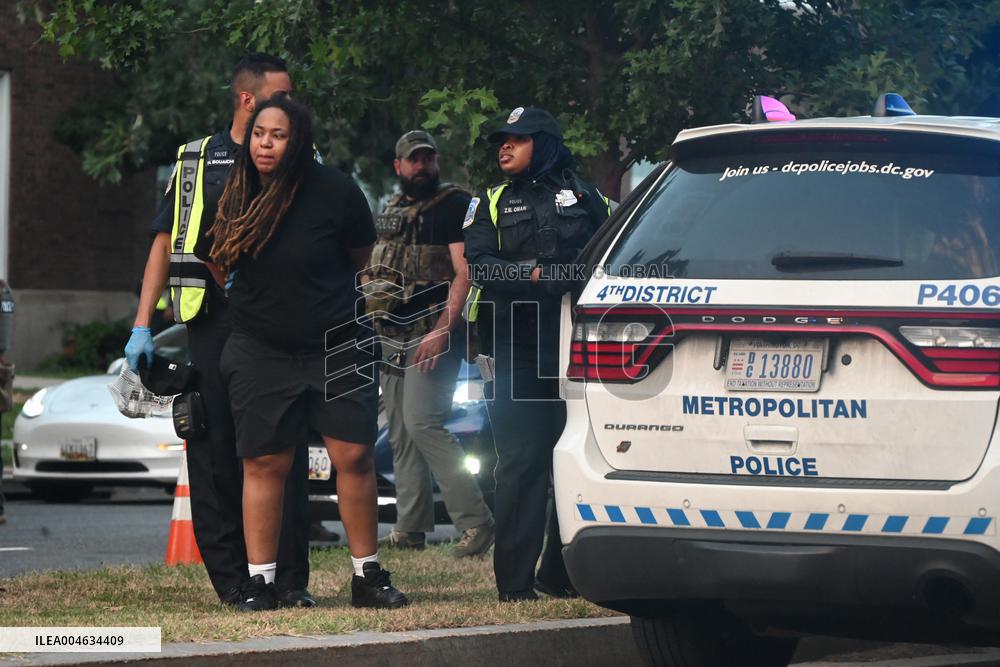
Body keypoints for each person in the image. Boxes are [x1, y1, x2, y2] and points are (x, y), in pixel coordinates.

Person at [123, 54, 313, 608]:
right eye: (284, 96)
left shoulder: (297, 159)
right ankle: (235, 583)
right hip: (208, 324)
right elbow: (164, 242)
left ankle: (288, 582)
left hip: (275, 327)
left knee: (280, 452)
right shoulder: (195, 159)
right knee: (211, 453)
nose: (293, 108)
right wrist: (141, 325)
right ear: (250, 101)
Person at [209, 93, 408, 611]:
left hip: (337, 342)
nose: (265, 144)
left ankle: (367, 575)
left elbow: (361, 258)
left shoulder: (337, 191)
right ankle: (261, 582)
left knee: (355, 456)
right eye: (258, 133)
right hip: (261, 349)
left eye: (277, 134)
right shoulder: (236, 189)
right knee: (265, 463)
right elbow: (217, 257)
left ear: (298, 141)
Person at [463, 106, 610, 602]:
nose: (504, 146)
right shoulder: (489, 200)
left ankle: (559, 573)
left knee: (573, 459)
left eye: (517, 139)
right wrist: (535, 277)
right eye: (501, 139)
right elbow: (480, 266)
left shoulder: (589, 196)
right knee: (522, 460)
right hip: (515, 345)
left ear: (543, 143)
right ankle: (515, 585)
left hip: (578, 345)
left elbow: (613, 252)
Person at [366, 131, 494, 557]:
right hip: (391, 335)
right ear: (398, 167)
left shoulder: (454, 204)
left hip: (430, 334)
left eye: (428, 159)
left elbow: (465, 272)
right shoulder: (390, 209)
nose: (422, 166)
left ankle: (476, 523)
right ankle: (411, 527)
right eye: (413, 160)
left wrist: (442, 330)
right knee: (401, 433)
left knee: (424, 423)